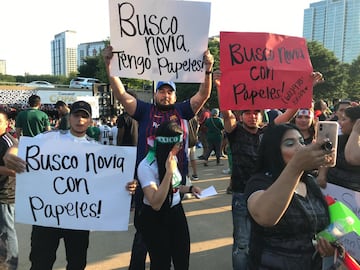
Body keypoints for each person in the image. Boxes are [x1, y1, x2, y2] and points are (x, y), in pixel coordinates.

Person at [103, 45, 214, 270]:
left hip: (173, 185)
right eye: (161, 91)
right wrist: (109, 66)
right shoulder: (145, 110)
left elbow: (203, 94)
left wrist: (208, 70)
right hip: (148, 183)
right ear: (155, 93)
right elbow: (122, 95)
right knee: (145, 242)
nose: (165, 95)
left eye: (169, 91)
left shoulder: (182, 110)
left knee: (173, 247)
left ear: (174, 94)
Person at [4, 100, 138, 270]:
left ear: (90, 121)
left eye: (84, 116)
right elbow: (20, 145)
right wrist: (10, 153)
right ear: (69, 116)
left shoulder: (96, 150)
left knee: (76, 263)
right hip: (47, 217)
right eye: (76, 115)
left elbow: (111, 180)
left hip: (78, 219)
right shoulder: (50, 138)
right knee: (40, 263)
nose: (80, 120)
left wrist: (127, 185)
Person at [213, 70, 325, 269]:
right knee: (242, 243)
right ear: (241, 115)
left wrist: (307, 87)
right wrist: (220, 86)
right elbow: (226, 112)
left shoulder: (269, 131)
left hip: (269, 190)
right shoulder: (235, 132)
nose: (252, 116)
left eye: (256, 112)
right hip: (242, 193)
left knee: (266, 239)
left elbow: (290, 112)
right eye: (247, 112)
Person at [244, 123, 334, 269]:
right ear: (273, 151)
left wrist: (329, 246)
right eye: (290, 143)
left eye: (301, 142)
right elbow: (265, 216)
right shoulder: (260, 182)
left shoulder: (309, 182)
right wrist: (296, 166)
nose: (300, 148)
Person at [137, 121, 201, 270]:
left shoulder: (172, 158)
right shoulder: (146, 166)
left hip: (176, 211)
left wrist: (190, 188)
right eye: (178, 145)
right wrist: (169, 172)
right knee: (161, 263)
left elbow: (174, 186)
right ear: (168, 145)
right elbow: (155, 202)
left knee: (182, 257)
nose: (179, 148)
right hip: (155, 217)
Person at [317, 106, 360, 192]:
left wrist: (356, 132)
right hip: (332, 190)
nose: (340, 123)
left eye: (344, 120)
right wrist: (322, 175)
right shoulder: (339, 139)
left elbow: (352, 158)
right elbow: (327, 157)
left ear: (356, 123)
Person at [0, 110, 18, 270]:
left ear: (7, 124)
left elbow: (15, 170)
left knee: (7, 232)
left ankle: (11, 265)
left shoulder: (9, 142)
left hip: (5, 194)